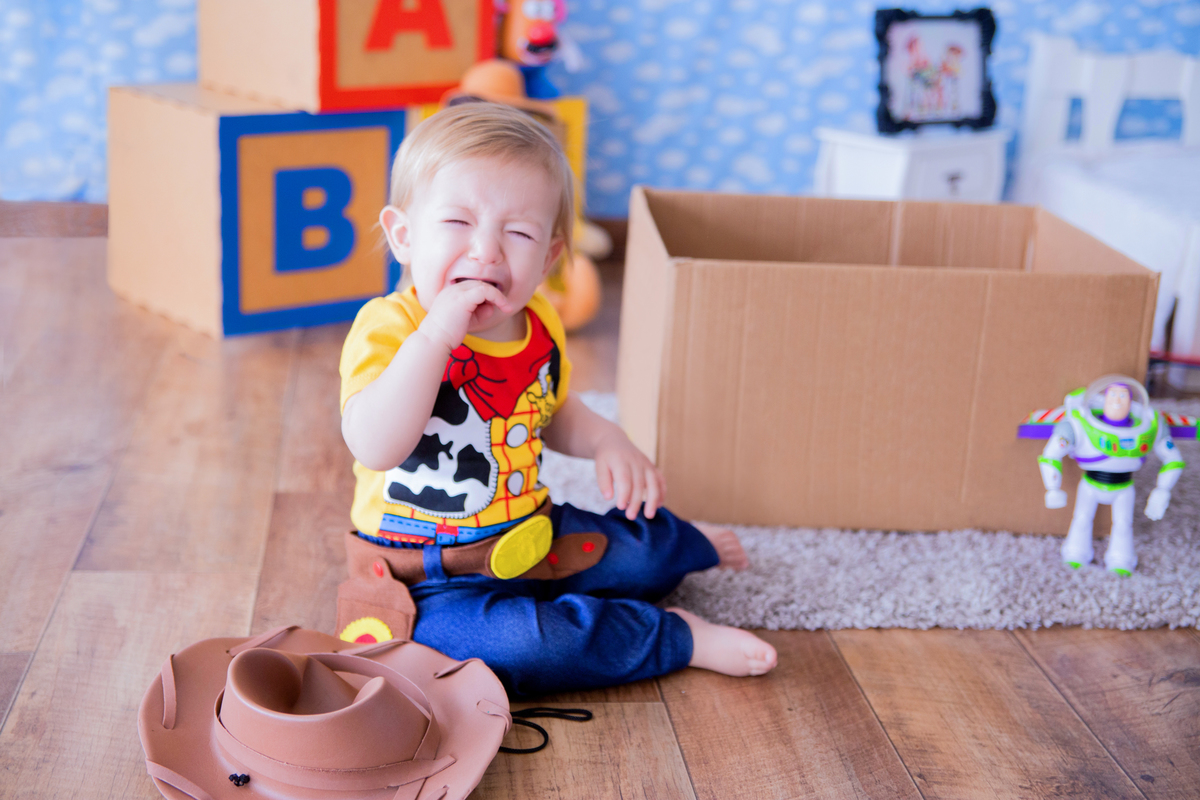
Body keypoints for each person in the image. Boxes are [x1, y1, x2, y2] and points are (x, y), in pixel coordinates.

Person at [338, 102, 777, 696]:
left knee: (644, 557)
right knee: (527, 647)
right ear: (404, 236)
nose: (486, 251)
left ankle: (683, 545)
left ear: (547, 257)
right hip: (427, 577)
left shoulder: (537, 321)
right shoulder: (390, 327)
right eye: (458, 222)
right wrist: (436, 337)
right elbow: (376, 445)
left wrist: (608, 440)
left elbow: (553, 409)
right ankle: (676, 637)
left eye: (518, 233)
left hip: (533, 536)